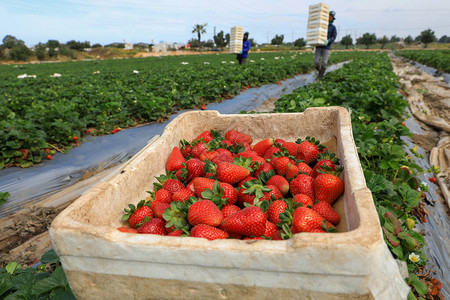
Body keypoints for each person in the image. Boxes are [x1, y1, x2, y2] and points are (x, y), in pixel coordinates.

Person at [314, 11, 337, 79]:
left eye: (331, 17)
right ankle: (321, 72)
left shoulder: (333, 27)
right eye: (329, 16)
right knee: (316, 62)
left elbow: (334, 37)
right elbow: (315, 33)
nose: (330, 18)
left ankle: (320, 76)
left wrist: (329, 41)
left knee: (324, 62)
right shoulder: (321, 25)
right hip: (318, 46)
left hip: (326, 47)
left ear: (332, 18)